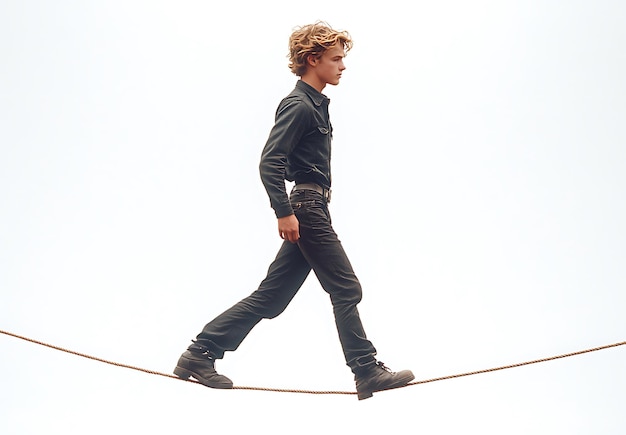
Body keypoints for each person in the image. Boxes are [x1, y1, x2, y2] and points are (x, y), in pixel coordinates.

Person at [174, 22, 414, 400]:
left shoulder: (316, 106)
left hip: (311, 206)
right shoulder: (300, 105)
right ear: (312, 59)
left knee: (272, 297)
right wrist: (283, 211)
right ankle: (366, 370)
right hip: (307, 209)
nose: (342, 66)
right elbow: (270, 161)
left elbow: (289, 161)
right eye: (336, 59)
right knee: (346, 288)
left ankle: (199, 354)